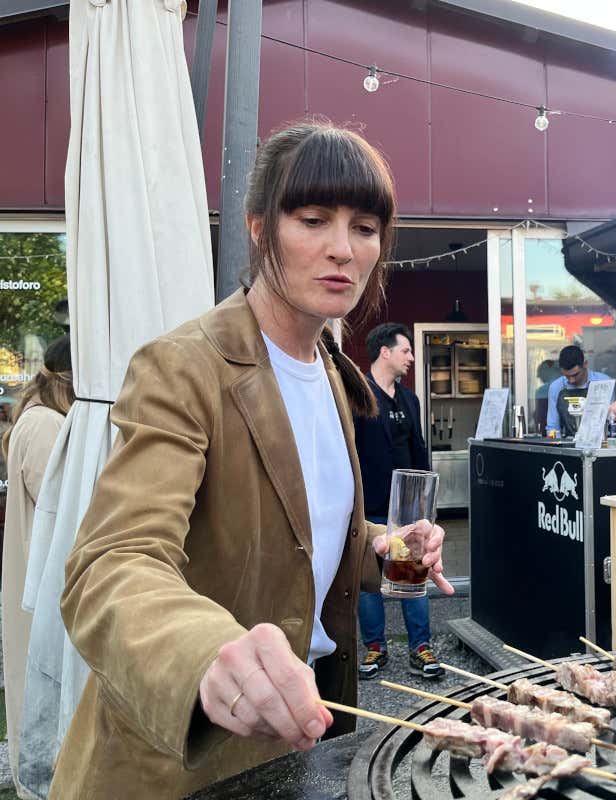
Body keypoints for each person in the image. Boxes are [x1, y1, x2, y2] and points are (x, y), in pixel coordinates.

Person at [51, 121, 451, 798]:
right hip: (179, 765)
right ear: (260, 227)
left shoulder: (331, 370)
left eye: (364, 227)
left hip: (303, 742)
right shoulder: (184, 368)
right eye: (313, 219)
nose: (342, 250)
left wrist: (386, 550)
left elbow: (310, 539)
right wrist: (204, 651)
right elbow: (110, 563)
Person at [1, 336, 73, 800]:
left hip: (41, 582)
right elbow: (71, 508)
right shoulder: (45, 426)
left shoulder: (37, 419)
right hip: (43, 584)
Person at [354, 322, 444, 680]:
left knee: (413, 575)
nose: (411, 357)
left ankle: (419, 648)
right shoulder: (356, 394)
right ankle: (375, 647)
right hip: (369, 504)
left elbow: (418, 449)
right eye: (406, 350)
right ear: (385, 352)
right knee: (369, 581)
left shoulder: (410, 399)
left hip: (409, 508)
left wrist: (427, 505)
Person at [545, 344, 611, 438]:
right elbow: (553, 427)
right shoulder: (556, 387)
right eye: (567, 376)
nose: (571, 380)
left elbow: (612, 420)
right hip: (567, 445)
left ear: (585, 364)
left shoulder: (603, 382)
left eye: (575, 375)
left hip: (599, 443)